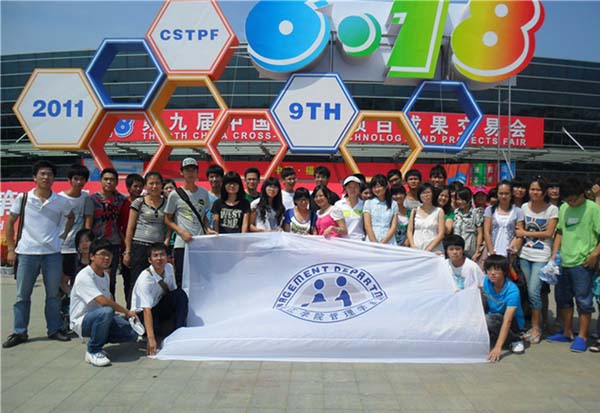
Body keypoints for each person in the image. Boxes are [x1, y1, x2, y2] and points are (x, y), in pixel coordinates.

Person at [3, 160, 74, 348]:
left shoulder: (60, 201)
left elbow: (71, 217)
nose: (46, 177)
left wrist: (62, 235)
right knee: (22, 295)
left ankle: (54, 329)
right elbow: (10, 223)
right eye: (42, 174)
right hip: (27, 252)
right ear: (34, 177)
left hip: (52, 253)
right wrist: (11, 249)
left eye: (49, 174)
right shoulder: (23, 198)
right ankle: (20, 332)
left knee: (53, 295)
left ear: (54, 178)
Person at [547, 176, 600, 353]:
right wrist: (555, 253)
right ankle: (567, 331)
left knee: (583, 300)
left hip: (583, 263)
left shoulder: (593, 209)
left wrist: (594, 254)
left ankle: (582, 336)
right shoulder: (564, 208)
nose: (571, 203)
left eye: (574, 199)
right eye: (567, 200)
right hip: (564, 261)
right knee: (563, 299)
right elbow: (560, 232)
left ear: (582, 194)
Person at [69, 239, 139, 367]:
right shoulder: (85, 276)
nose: (106, 258)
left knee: (132, 333)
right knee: (107, 312)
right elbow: (103, 301)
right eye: (102, 254)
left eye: (109, 255)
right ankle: (93, 350)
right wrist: (126, 312)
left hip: (101, 316)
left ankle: (97, 338)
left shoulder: (105, 276)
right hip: (82, 321)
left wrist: (120, 317)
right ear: (92, 256)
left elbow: (109, 298)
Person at [516, 177, 559, 344]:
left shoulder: (552, 210)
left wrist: (526, 233)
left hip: (541, 256)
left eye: (538, 190)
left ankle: (536, 328)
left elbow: (549, 233)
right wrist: (522, 234)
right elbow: (519, 229)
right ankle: (532, 324)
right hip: (525, 255)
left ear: (544, 192)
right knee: (528, 291)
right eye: (532, 189)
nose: (535, 192)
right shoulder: (524, 207)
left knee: (534, 291)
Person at [130, 243, 188, 356]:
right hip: (143, 314)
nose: (159, 258)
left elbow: (172, 293)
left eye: (162, 255)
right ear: (150, 260)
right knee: (160, 329)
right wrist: (151, 339)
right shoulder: (145, 279)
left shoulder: (169, 268)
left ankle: (181, 331)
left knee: (180, 294)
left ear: (167, 257)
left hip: (158, 307)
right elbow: (146, 310)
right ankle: (151, 333)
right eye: (155, 255)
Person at [164, 158, 213, 288]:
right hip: (182, 244)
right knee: (182, 279)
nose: (190, 173)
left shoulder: (203, 193)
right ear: (182, 172)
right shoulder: (174, 195)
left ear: (197, 172)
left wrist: (208, 228)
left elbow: (204, 216)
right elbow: (167, 219)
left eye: (193, 170)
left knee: (200, 278)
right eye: (187, 170)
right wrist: (181, 232)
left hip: (199, 243)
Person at [124, 172, 168, 307]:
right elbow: (130, 228)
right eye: (151, 183)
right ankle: (133, 312)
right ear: (146, 185)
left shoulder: (167, 203)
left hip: (158, 249)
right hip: (140, 246)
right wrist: (128, 251)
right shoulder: (139, 202)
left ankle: (153, 312)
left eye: (157, 183)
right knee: (136, 281)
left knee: (156, 282)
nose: (154, 186)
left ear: (162, 185)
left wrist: (166, 242)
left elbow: (169, 225)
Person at [87, 168, 126, 299]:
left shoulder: (121, 200)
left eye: (112, 180)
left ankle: (111, 306)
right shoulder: (92, 200)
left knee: (111, 279)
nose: (109, 182)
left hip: (113, 244)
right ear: (100, 181)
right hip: (97, 244)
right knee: (94, 277)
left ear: (117, 182)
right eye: (106, 179)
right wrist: (89, 244)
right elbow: (88, 223)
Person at [482, 254, 526, 362]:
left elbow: (508, 320)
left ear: (504, 272)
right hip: (493, 315)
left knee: (489, 320)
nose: (492, 273)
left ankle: (515, 339)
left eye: (497, 270)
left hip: (512, 322)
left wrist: (498, 348)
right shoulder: (486, 281)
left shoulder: (512, 290)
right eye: (489, 269)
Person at [59, 164, 93, 297]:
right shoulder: (60, 198)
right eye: (76, 178)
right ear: (69, 180)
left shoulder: (86, 198)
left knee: (78, 280)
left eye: (82, 179)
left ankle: (72, 303)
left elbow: (87, 222)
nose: (79, 182)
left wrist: (86, 244)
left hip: (78, 248)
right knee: (60, 282)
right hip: (62, 247)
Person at [117, 173, 144, 308]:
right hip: (127, 248)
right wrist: (126, 244)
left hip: (142, 246)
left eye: (140, 186)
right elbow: (119, 226)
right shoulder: (123, 204)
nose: (138, 189)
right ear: (128, 188)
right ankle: (130, 310)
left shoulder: (146, 203)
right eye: (135, 186)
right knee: (129, 281)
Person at [483, 180, 524, 257]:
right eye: (501, 193)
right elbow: (486, 232)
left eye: (506, 193)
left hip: (509, 253)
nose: (503, 196)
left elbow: (519, 235)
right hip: (493, 252)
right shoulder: (490, 210)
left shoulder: (518, 211)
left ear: (511, 194)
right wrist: (491, 252)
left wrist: (514, 251)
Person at [407, 183, 445, 253]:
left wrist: (429, 248)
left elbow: (441, 234)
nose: (426, 195)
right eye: (423, 193)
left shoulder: (439, 211)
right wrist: (412, 245)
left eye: (428, 192)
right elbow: (409, 231)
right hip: (417, 247)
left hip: (434, 249)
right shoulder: (414, 211)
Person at [363, 174, 398, 245]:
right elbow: (367, 225)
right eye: (374, 187)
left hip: (388, 240)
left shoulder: (393, 204)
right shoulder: (368, 203)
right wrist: (374, 242)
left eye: (379, 186)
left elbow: (393, 226)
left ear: (386, 187)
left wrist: (383, 242)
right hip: (371, 239)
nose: (376, 189)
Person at [453, 187, 484, 259]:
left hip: (470, 253)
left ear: (469, 199)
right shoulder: (455, 213)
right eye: (458, 199)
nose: (460, 202)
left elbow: (480, 234)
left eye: (463, 199)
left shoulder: (476, 213)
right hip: (456, 251)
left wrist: (477, 252)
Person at [335, 176, 365, 241]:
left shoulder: (364, 204)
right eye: (349, 187)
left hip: (360, 240)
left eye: (355, 187)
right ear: (345, 188)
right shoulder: (339, 204)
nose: (352, 189)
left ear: (359, 188)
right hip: (343, 241)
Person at [205, 164, 224, 230]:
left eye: (217, 176)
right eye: (211, 177)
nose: (214, 179)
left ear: (222, 178)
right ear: (208, 178)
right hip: (207, 231)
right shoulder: (204, 196)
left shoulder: (227, 196)